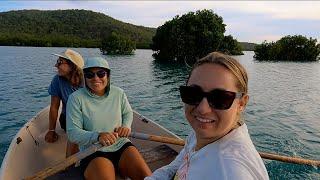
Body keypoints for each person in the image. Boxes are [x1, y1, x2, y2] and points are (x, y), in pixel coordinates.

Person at [145, 52, 269, 180]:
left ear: (241, 103)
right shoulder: (200, 135)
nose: (203, 109)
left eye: (220, 98)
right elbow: (176, 166)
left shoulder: (230, 171)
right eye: (193, 93)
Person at [66, 57, 152, 179]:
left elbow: (127, 113)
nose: (96, 78)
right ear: (84, 77)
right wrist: (98, 136)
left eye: (101, 73)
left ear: (108, 75)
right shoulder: (75, 98)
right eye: (90, 75)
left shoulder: (119, 93)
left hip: (120, 144)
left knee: (148, 177)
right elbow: (72, 133)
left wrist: (126, 126)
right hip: (93, 150)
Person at [45, 49, 84, 157]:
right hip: (67, 118)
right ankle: (70, 163)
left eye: (59, 62)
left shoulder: (87, 80)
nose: (55, 65)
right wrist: (51, 130)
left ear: (72, 66)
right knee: (77, 129)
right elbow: (54, 107)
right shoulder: (57, 80)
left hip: (87, 118)